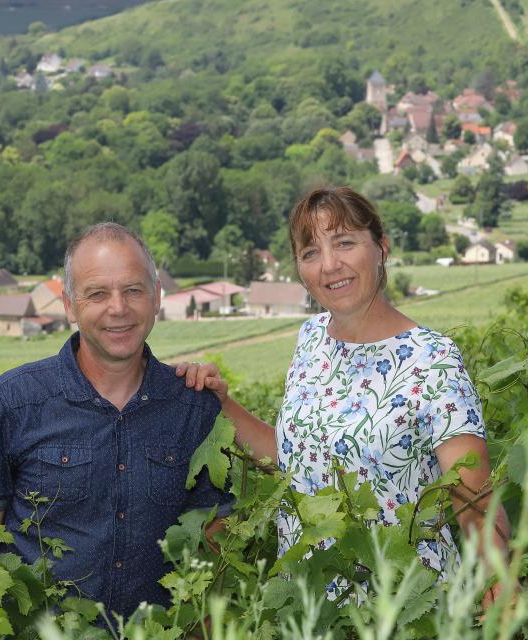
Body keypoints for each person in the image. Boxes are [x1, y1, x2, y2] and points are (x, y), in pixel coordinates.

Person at [177, 186, 510, 609]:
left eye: (345, 242)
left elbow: (473, 496)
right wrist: (221, 402)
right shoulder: (311, 338)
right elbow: (295, 460)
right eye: (310, 251)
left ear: (380, 248)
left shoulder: (432, 359)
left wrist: (500, 582)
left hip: (403, 610)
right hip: (310, 608)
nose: (329, 265)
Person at [0, 222, 231, 621]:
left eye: (133, 290)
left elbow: (213, 555)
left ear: (156, 298)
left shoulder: (194, 408)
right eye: (97, 293)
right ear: (70, 305)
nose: (117, 308)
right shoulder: (11, 403)